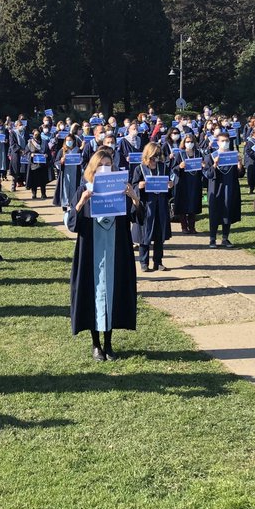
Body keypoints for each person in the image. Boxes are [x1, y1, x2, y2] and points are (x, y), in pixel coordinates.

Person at [67, 149, 141, 362]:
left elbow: (138, 218)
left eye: (108, 165)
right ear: (93, 168)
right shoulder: (84, 188)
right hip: (91, 250)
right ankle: (96, 344)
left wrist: (133, 197)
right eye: (100, 165)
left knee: (113, 294)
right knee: (93, 295)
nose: (104, 169)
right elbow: (72, 223)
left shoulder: (120, 191)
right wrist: (81, 202)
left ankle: (109, 343)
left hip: (116, 250)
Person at [137, 142, 174, 272]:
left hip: (161, 204)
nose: (156, 158)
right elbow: (133, 185)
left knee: (159, 234)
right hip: (147, 205)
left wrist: (170, 185)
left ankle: (158, 262)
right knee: (145, 234)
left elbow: (168, 184)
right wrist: (140, 185)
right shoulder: (140, 168)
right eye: (154, 155)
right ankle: (144, 261)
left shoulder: (163, 167)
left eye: (158, 155)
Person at [203, 131, 243, 248]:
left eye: (226, 141)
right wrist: (214, 165)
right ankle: (212, 238)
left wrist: (240, 165)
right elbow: (207, 174)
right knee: (215, 212)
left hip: (230, 186)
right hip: (216, 188)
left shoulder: (232, 156)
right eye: (222, 141)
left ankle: (225, 238)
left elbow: (239, 174)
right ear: (217, 142)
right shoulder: (211, 156)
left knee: (228, 211)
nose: (225, 143)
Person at [172, 133, 204, 234]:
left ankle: (192, 227)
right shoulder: (180, 154)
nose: (189, 143)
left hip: (195, 182)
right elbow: (173, 169)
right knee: (183, 205)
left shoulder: (198, 153)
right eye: (187, 142)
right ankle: (184, 227)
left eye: (191, 142)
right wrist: (179, 167)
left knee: (193, 204)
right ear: (184, 143)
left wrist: (203, 165)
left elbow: (203, 167)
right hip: (182, 182)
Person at [26, 129, 50, 199]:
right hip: (34, 165)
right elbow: (26, 152)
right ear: (33, 135)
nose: (37, 136)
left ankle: (43, 194)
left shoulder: (44, 142)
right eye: (35, 135)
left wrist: (47, 155)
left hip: (42, 165)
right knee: (34, 181)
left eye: (38, 134)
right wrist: (31, 154)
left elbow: (48, 152)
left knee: (43, 181)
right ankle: (34, 194)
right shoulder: (29, 142)